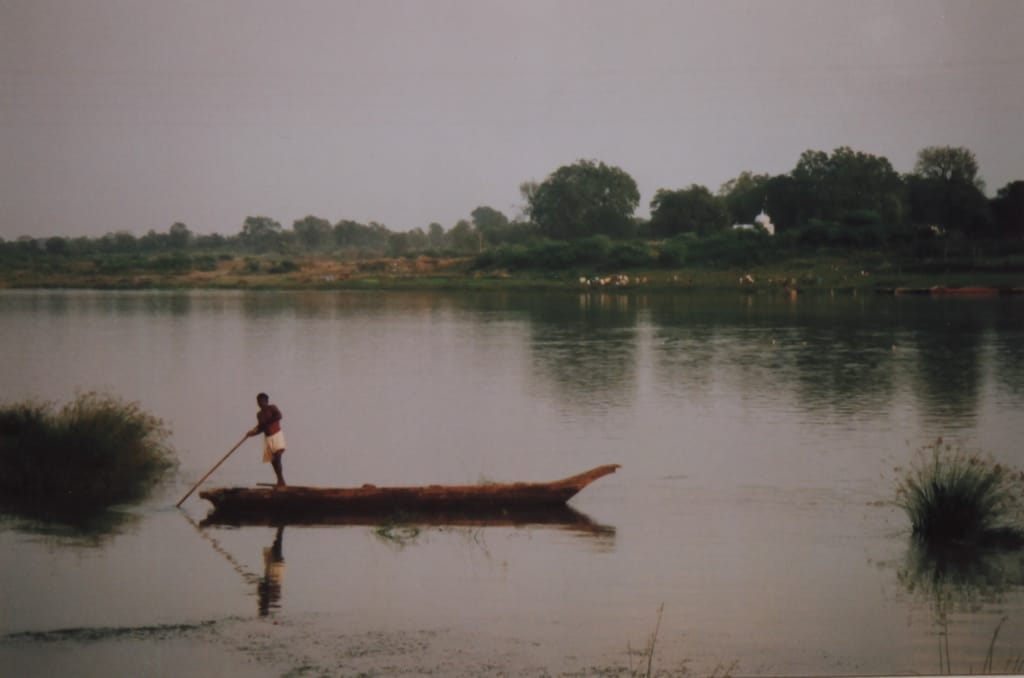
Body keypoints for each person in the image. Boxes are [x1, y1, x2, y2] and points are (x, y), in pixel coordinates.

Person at [248, 392, 286, 486]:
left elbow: (279, 416)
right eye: (258, 402)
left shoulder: (272, 408)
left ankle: (281, 480)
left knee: (278, 456)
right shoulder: (259, 414)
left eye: (261, 401)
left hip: (277, 435)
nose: (260, 403)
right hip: (268, 438)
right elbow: (261, 428)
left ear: (266, 401)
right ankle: (280, 480)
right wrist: (253, 433)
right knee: (273, 461)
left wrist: (266, 423)